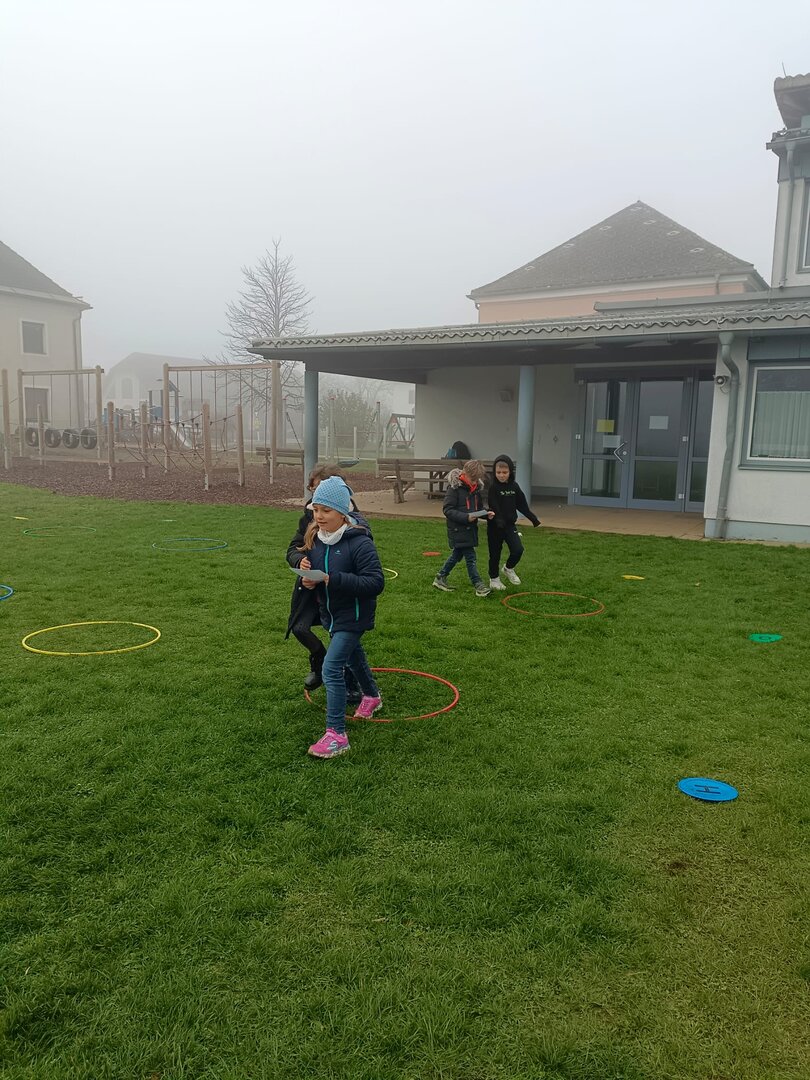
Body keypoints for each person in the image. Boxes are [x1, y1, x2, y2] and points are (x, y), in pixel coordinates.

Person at [296, 475, 385, 759]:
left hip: (354, 616)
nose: (319, 516)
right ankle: (371, 696)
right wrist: (309, 580)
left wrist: (331, 579)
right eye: (315, 510)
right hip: (331, 615)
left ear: (342, 512)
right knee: (353, 656)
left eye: (326, 510)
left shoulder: (359, 542)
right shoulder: (315, 539)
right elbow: (317, 576)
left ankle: (336, 735)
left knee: (331, 668)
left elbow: (375, 582)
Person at [285, 464, 363, 702]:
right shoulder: (310, 516)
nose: (317, 496)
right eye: (314, 490)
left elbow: (366, 569)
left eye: (322, 488)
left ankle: (353, 684)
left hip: (339, 591)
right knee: (299, 627)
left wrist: (336, 576)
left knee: (342, 637)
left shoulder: (353, 521)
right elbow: (294, 547)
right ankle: (319, 660)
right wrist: (300, 560)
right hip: (311, 586)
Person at [432, 459, 494, 597]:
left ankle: (440, 577)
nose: (474, 482)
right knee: (470, 557)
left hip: (470, 530)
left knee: (457, 555)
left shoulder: (475, 490)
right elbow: (448, 510)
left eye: (476, 479)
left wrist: (486, 514)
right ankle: (478, 585)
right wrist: (465, 518)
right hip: (458, 529)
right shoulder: (454, 489)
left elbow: (477, 508)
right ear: (464, 473)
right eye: (473, 479)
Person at [485, 453, 541, 590]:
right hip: (495, 526)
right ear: (494, 472)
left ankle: (508, 568)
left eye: (505, 472)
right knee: (495, 554)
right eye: (498, 472)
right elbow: (494, 505)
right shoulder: (493, 487)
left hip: (509, 525)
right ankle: (494, 579)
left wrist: (533, 518)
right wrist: (498, 520)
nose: (501, 475)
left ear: (510, 472)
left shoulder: (514, 487)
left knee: (518, 550)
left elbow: (522, 504)